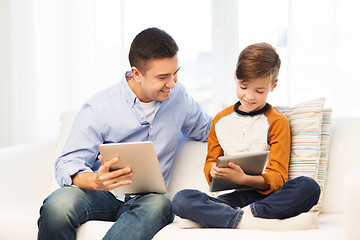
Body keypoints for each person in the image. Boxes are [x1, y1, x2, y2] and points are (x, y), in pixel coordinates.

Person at [37, 27, 212, 240]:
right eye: (163, 77)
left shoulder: (179, 97)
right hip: (101, 195)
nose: (172, 83)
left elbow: (208, 131)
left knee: (161, 203)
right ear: (137, 74)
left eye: (176, 73)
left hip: (149, 200)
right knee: (58, 205)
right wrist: (95, 181)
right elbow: (67, 162)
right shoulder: (100, 107)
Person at [172, 43, 320, 229]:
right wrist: (214, 172)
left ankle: (236, 217)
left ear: (273, 86)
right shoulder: (220, 120)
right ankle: (249, 219)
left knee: (309, 187)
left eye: (259, 91)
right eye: (243, 87)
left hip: (268, 198)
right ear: (235, 77)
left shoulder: (277, 121)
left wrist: (245, 179)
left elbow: (278, 177)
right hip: (232, 198)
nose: (249, 97)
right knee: (181, 200)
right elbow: (210, 164)